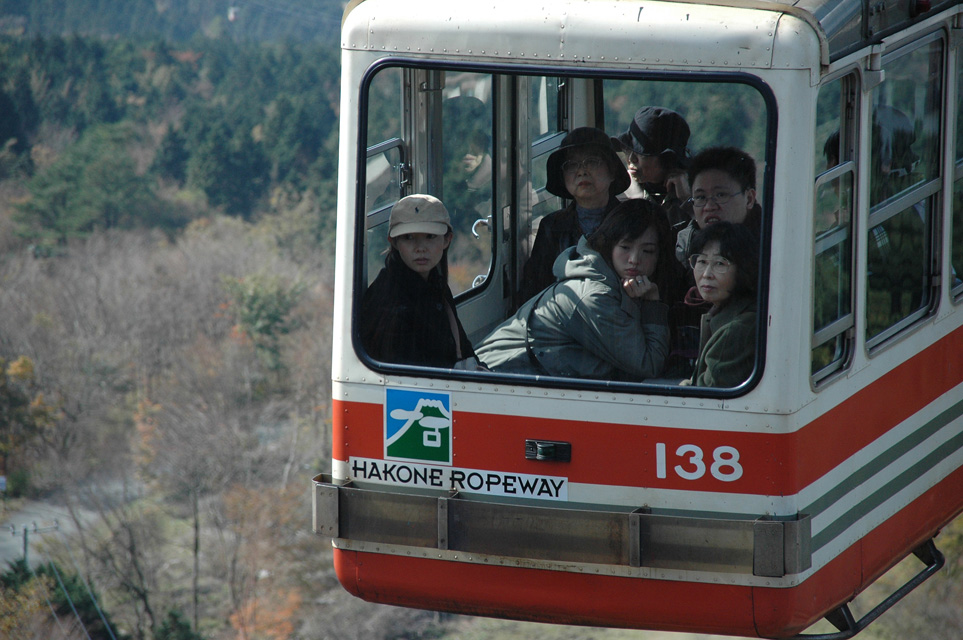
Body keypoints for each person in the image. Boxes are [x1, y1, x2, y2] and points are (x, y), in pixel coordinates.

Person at [476, 199, 672, 380]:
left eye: (647, 251)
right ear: (609, 245)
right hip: (492, 377)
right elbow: (649, 365)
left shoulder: (612, 282)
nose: (634, 259)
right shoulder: (594, 295)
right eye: (625, 247)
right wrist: (652, 305)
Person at [359, 194, 477, 368]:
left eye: (430, 236)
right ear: (394, 242)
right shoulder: (389, 302)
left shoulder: (436, 286)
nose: (420, 248)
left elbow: (463, 349)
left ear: (447, 240)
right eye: (408, 237)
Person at [519, 127, 631, 302]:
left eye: (592, 162)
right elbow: (535, 292)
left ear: (612, 171)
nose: (582, 171)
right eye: (571, 165)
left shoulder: (633, 222)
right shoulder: (552, 227)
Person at [681, 222, 759, 388]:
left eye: (720, 264)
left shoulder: (737, 330)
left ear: (743, 269)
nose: (707, 274)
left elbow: (706, 395)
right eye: (701, 261)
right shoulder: (724, 311)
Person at [675, 147, 762, 264]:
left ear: (749, 199)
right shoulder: (685, 249)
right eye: (701, 197)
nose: (709, 207)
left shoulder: (772, 246)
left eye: (721, 195)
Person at [611, 106, 693, 228]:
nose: (631, 159)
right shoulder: (617, 193)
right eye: (628, 149)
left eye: (641, 154)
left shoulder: (697, 191)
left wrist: (688, 201)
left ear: (667, 160)